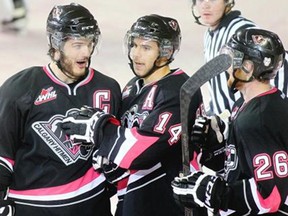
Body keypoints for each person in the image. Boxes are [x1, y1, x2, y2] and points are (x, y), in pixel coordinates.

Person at [61, 14, 204, 216]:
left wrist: (99, 129)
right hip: (134, 202)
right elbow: (120, 145)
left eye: (146, 48)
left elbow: (143, 150)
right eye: (134, 45)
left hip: (169, 205)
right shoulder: (132, 88)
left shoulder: (180, 91)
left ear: (165, 51)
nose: (136, 54)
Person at [0, 3, 121, 216]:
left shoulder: (108, 89)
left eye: (90, 43)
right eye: (77, 44)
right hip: (32, 209)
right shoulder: (20, 89)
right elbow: (2, 154)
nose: (86, 52)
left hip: (91, 207)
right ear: (55, 45)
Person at [172, 28, 288, 215]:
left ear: (248, 67)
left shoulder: (257, 120)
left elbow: (270, 196)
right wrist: (216, 148)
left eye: (232, 57)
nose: (226, 66)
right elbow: (243, 165)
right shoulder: (248, 103)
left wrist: (214, 193)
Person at [191, 0, 256, 115]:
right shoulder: (209, 33)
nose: (205, 5)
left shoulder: (242, 31)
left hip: (245, 119)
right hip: (225, 120)